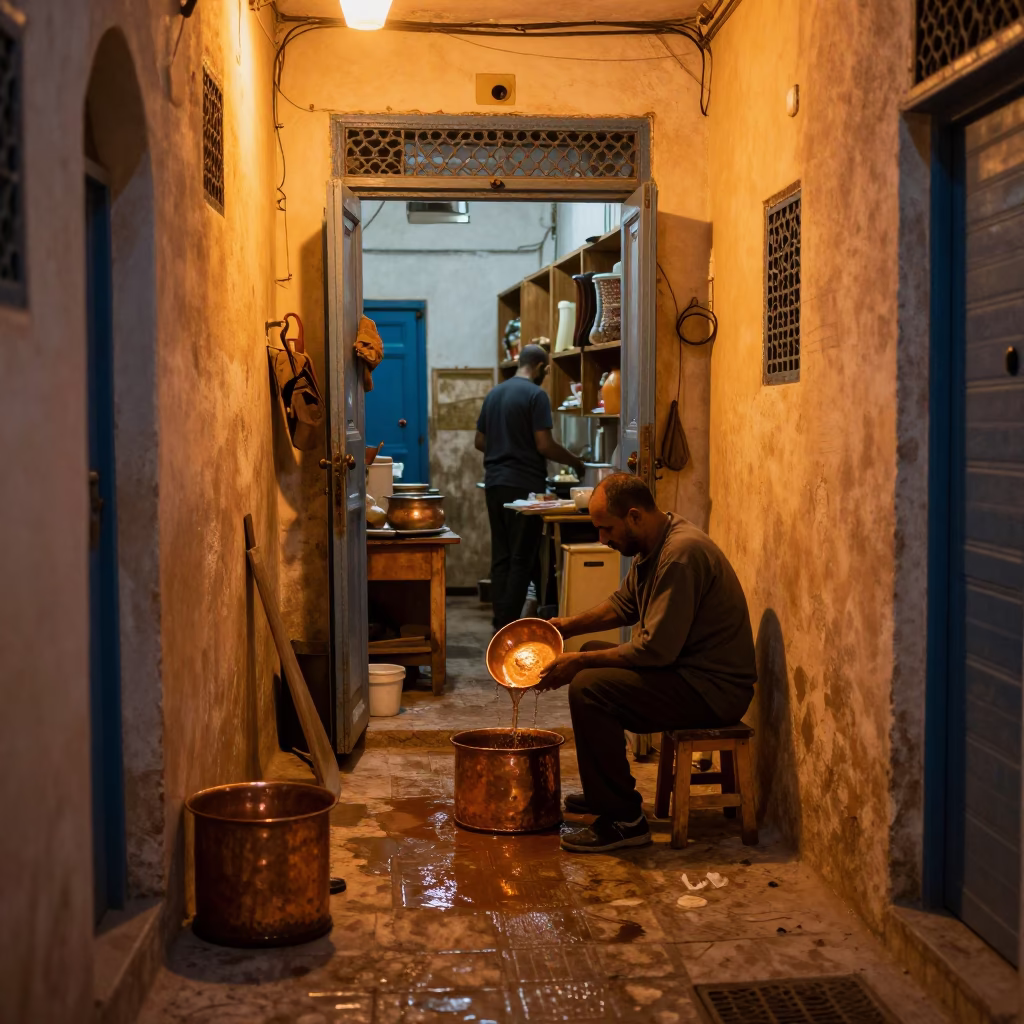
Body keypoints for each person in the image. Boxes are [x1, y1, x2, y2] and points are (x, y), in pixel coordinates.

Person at [537, 473, 757, 853]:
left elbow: (655, 652)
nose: (603, 540)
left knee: (590, 687)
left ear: (635, 516)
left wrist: (579, 662)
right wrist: (566, 626)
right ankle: (607, 791)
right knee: (590, 654)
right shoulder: (654, 544)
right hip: (688, 672)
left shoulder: (680, 557)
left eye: (607, 529)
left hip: (714, 691)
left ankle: (624, 821)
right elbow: (625, 605)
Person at [475, 345, 585, 630]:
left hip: (494, 483)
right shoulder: (536, 395)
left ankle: (499, 623)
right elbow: (544, 445)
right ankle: (509, 628)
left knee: (502, 555)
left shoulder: (495, 393)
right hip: (524, 487)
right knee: (522, 557)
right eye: (545, 370)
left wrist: (505, 445)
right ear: (539, 367)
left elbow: (479, 441)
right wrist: (576, 462)